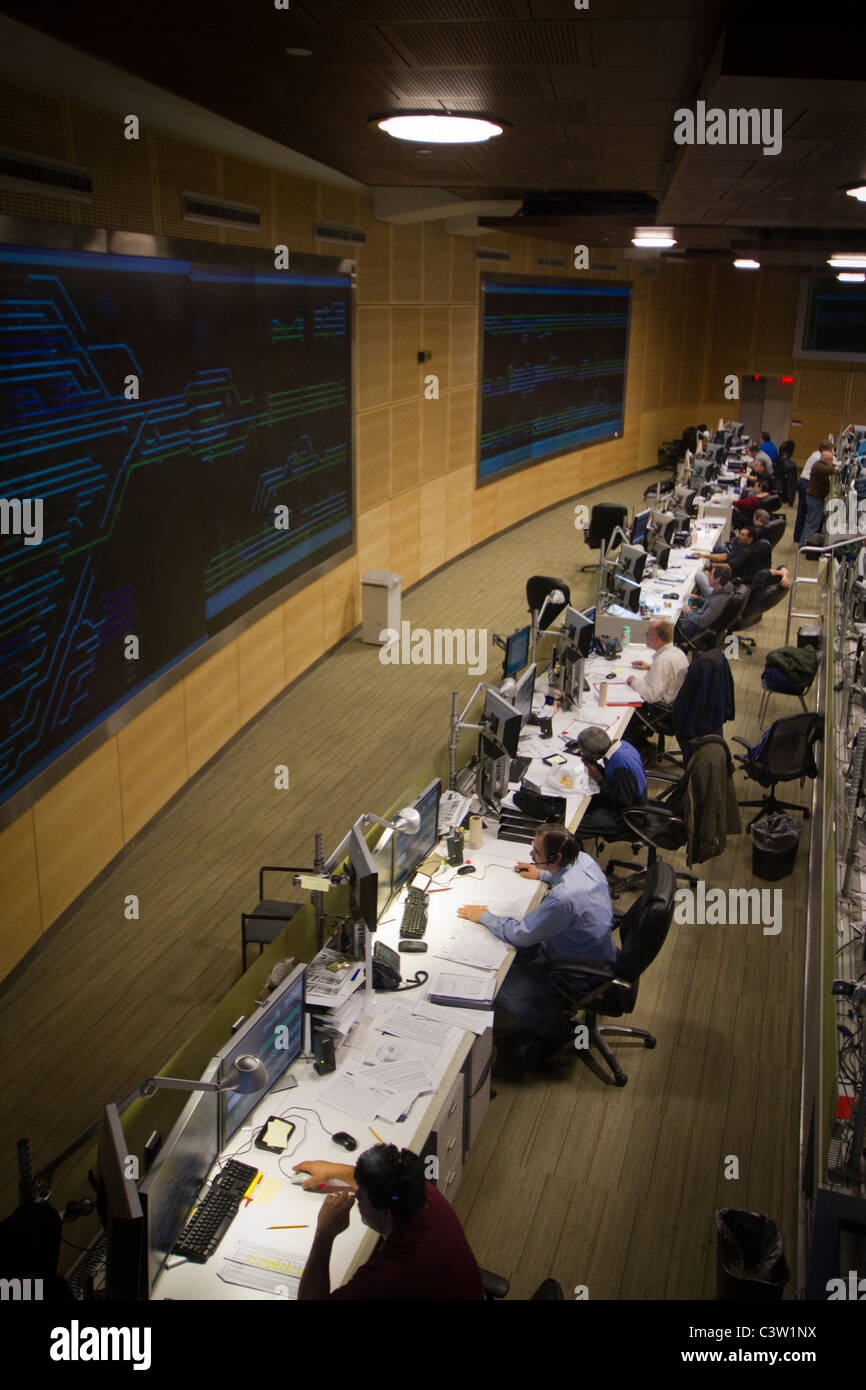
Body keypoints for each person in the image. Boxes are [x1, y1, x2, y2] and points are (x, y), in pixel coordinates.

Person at [457, 823, 615, 1066]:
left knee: (502, 989)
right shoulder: (583, 859)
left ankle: (556, 1030)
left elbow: (521, 934)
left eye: (537, 853)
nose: (531, 855)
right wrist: (542, 872)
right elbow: (565, 876)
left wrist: (485, 916)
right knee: (508, 956)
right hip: (595, 950)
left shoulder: (564, 899)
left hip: (577, 970)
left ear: (555, 857)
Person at [293, 1144, 484, 1300]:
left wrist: (324, 1234)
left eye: (361, 1197)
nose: (356, 1193)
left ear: (386, 1214)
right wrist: (335, 1170)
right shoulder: (420, 1191)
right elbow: (383, 1179)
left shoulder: (384, 1278)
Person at [572, 725, 647, 836]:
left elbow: (623, 802)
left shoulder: (620, 763)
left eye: (584, 752)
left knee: (575, 826)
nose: (582, 754)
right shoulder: (622, 746)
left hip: (629, 816)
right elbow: (615, 780)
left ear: (594, 753)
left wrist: (599, 778)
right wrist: (597, 768)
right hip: (630, 800)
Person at [626, 618, 688, 704]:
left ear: (657, 638)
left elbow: (651, 696)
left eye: (648, 633)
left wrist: (633, 681)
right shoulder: (678, 652)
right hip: (678, 699)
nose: (645, 635)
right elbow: (671, 674)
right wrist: (650, 667)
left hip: (661, 706)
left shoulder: (662, 660)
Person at [693, 525, 770, 587]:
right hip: (729, 577)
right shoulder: (743, 546)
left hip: (731, 582)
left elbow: (727, 567)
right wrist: (704, 556)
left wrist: (706, 566)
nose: (739, 536)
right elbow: (725, 556)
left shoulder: (745, 552)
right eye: (740, 533)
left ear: (750, 538)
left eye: (742, 535)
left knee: (698, 576)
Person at [677, 563, 734, 639]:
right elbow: (709, 604)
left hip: (697, 628)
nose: (708, 576)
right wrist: (697, 599)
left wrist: (688, 612)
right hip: (700, 616)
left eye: (711, 575)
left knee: (673, 621)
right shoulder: (723, 589)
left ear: (718, 579)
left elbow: (702, 622)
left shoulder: (719, 601)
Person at [794, 439, 832, 541]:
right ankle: (800, 539)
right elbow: (830, 469)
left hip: (807, 485)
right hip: (806, 484)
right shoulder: (817, 458)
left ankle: (800, 538)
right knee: (805, 516)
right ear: (824, 450)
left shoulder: (817, 455)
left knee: (807, 517)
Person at [802, 443, 835, 543]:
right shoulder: (819, 467)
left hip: (815, 498)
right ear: (826, 460)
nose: (832, 462)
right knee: (813, 524)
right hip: (815, 499)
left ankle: (804, 542)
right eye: (831, 459)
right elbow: (831, 470)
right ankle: (805, 544)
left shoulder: (820, 464)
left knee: (810, 522)